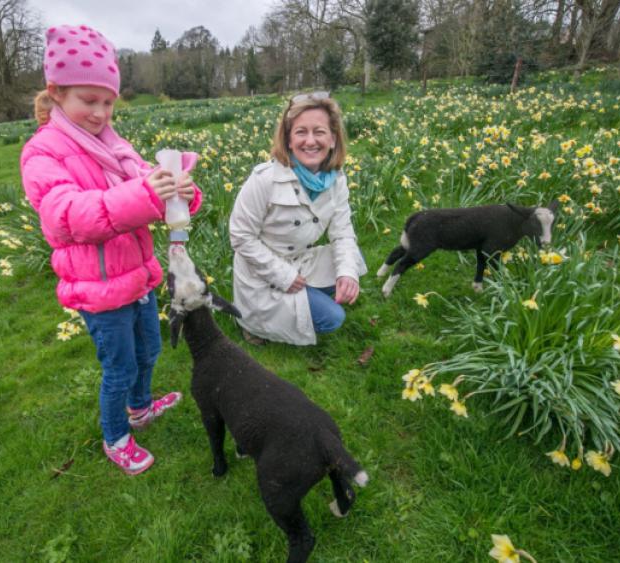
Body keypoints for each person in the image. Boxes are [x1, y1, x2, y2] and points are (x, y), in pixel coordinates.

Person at [20, 25, 202, 475]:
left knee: (150, 352)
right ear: (56, 92)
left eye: (107, 102)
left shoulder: (113, 146)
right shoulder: (42, 152)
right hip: (99, 290)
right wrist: (145, 194)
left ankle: (140, 409)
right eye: (89, 100)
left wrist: (180, 192)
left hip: (137, 276)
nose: (101, 113)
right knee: (119, 367)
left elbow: (147, 182)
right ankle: (116, 436)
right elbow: (68, 217)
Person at [229, 92, 367, 346]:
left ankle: (309, 296)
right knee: (333, 318)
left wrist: (347, 273)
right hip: (263, 273)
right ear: (289, 140)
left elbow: (343, 233)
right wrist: (283, 276)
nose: (311, 141)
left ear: (333, 139)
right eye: (301, 132)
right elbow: (240, 237)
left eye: (320, 132)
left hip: (299, 260)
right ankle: (252, 325)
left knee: (354, 261)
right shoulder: (264, 179)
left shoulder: (336, 179)